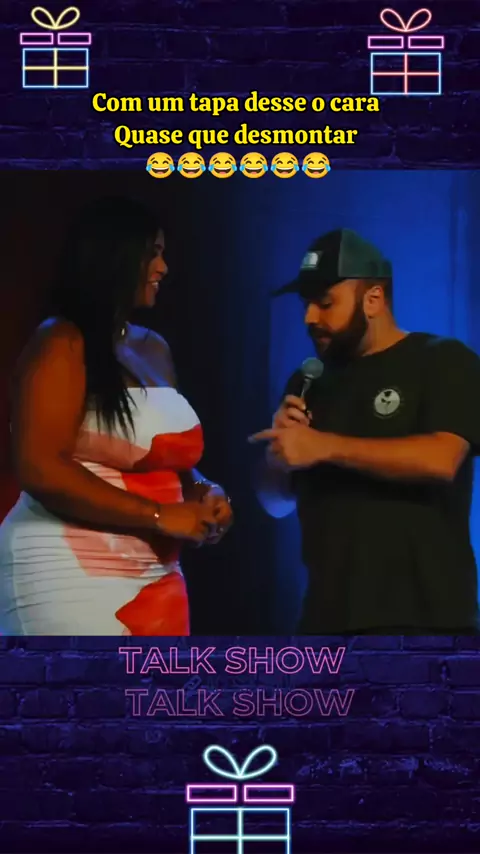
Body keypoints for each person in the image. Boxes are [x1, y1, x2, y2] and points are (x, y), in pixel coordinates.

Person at [0, 196, 233, 635]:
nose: (163, 268)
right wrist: (159, 515)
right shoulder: (61, 342)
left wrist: (202, 489)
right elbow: (40, 467)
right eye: (153, 254)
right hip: (66, 572)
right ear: (116, 258)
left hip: (156, 576)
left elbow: (160, 454)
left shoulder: (153, 348)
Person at [251, 228, 480, 634]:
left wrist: (323, 447)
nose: (309, 318)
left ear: (373, 299)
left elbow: (442, 459)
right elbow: (275, 503)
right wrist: (278, 458)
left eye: (325, 303)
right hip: (325, 623)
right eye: (306, 305)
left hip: (426, 623)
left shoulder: (443, 361)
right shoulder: (308, 381)